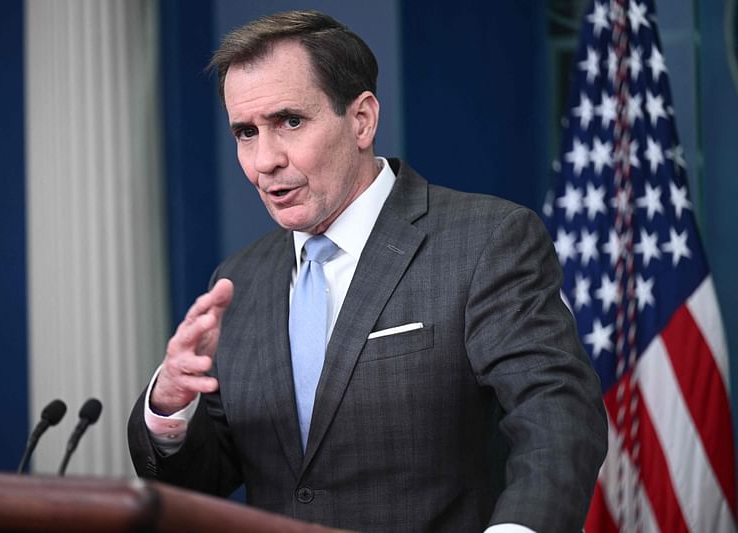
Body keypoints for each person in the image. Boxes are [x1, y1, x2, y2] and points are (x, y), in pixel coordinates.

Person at [128, 10, 607, 533]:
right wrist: (170, 408)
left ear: (361, 120)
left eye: (290, 121)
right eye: (246, 132)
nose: (264, 160)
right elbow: (209, 478)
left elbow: (557, 418)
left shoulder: (487, 240)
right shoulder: (239, 279)